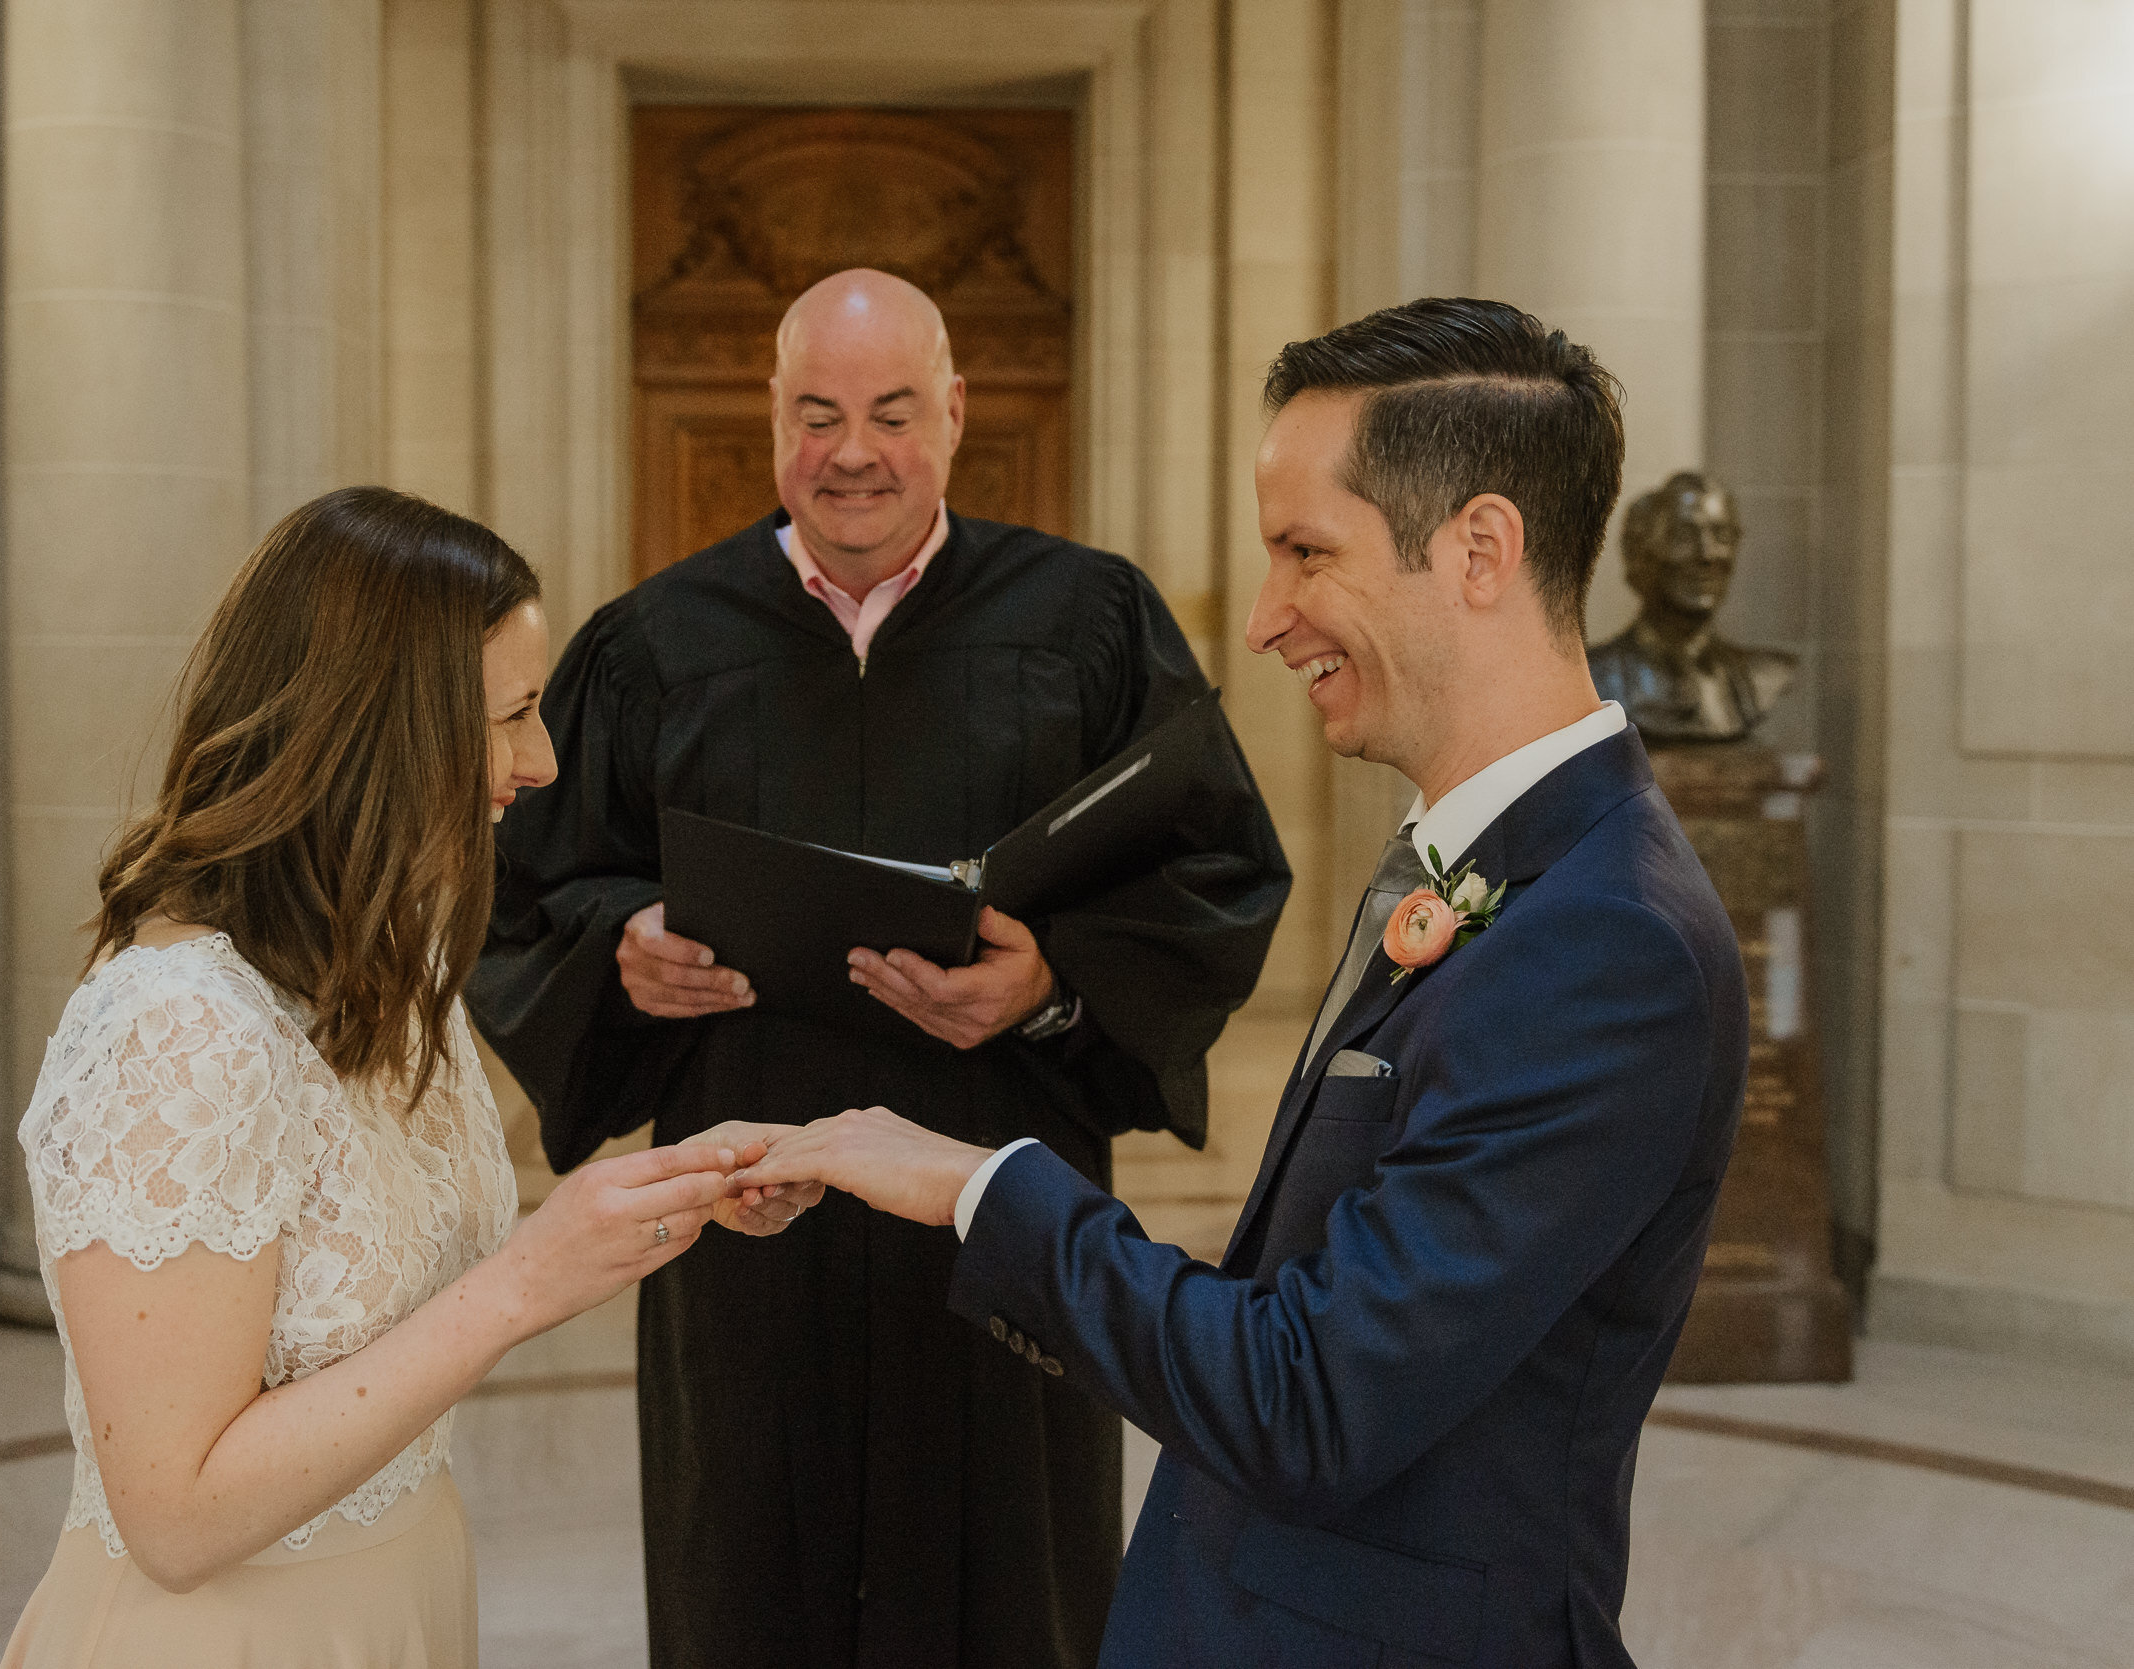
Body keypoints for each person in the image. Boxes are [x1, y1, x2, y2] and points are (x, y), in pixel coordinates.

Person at [737, 298, 1753, 1669]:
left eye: (1304, 553)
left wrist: (975, 1184)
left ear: (1481, 548)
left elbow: (1310, 1398)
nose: (1267, 618)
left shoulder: (1603, 940)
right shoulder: (1486, 865)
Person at [468, 270, 1290, 1667]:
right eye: (819, 413)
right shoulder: (658, 641)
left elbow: (1214, 869)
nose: (853, 452)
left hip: (1000, 1189)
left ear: (956, 414)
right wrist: (626, 946)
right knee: (749, 1568)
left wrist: (1052, 980)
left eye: (894, 413)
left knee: (1008, 1581)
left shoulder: (1088, 621)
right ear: (772, 418)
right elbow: (524, 880)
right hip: (748, 1202)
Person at [0, 487, 818, 1669]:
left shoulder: (382, 962)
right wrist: (529, 1282)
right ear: (377, 728)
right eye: (514, 715)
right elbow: (174, 1517)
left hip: (400, 1594)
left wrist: (652, 1202)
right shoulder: (174, 1031)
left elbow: (371, 1291)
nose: (539, 762)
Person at [1586, 469, 1797, 742]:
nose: (1707, 554)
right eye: (1684, 537)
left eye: (1721, 536)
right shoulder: (1595, 676)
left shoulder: (1763, 676)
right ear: (1642, 553)